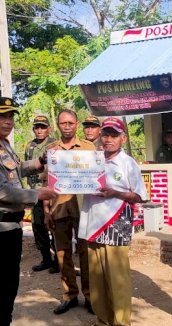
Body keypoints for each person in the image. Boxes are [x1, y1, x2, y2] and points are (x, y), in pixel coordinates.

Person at [0, 96, 57, 326]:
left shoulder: (0, 143)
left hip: (6, 228)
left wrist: (40, 162)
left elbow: (15, 169)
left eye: (11, 116)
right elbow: (0, 191)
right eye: (2, 116)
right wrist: (37, 194)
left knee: (7, 284)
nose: (8, 121)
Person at [79, 117, 147, 326]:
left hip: (115, 224)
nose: (108, 139)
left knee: (117, 279)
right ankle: (102, 321)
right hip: (92, 224)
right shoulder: (91, 160)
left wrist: (115, 192)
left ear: (122, 138)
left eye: (114, 135)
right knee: (96, 278)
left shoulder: (128, 163)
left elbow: (139, 196)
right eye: (105, 134)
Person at [44, 109, 96, 315]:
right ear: (58, 125)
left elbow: (95, 176)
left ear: (76, 124)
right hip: (58, 208)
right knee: (62, 254)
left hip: (83, 208)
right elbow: (46, 183)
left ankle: (90, 296)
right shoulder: (51, 149)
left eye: (71, 123)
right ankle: (69, 295)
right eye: (63, 123)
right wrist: (46, 211)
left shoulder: (88, 147)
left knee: (86, 254)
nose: (67, 127)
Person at [25, 115, 58, 274]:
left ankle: (58, 260)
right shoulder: (30, 146)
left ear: (49, 129)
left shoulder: (54, 145)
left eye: (43, 127)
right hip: (34, 192)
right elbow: (27, 167)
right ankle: (46, 258)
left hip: (50, 191)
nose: (39, 130)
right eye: (37, 127)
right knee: (38, 226)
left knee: (53, 225)